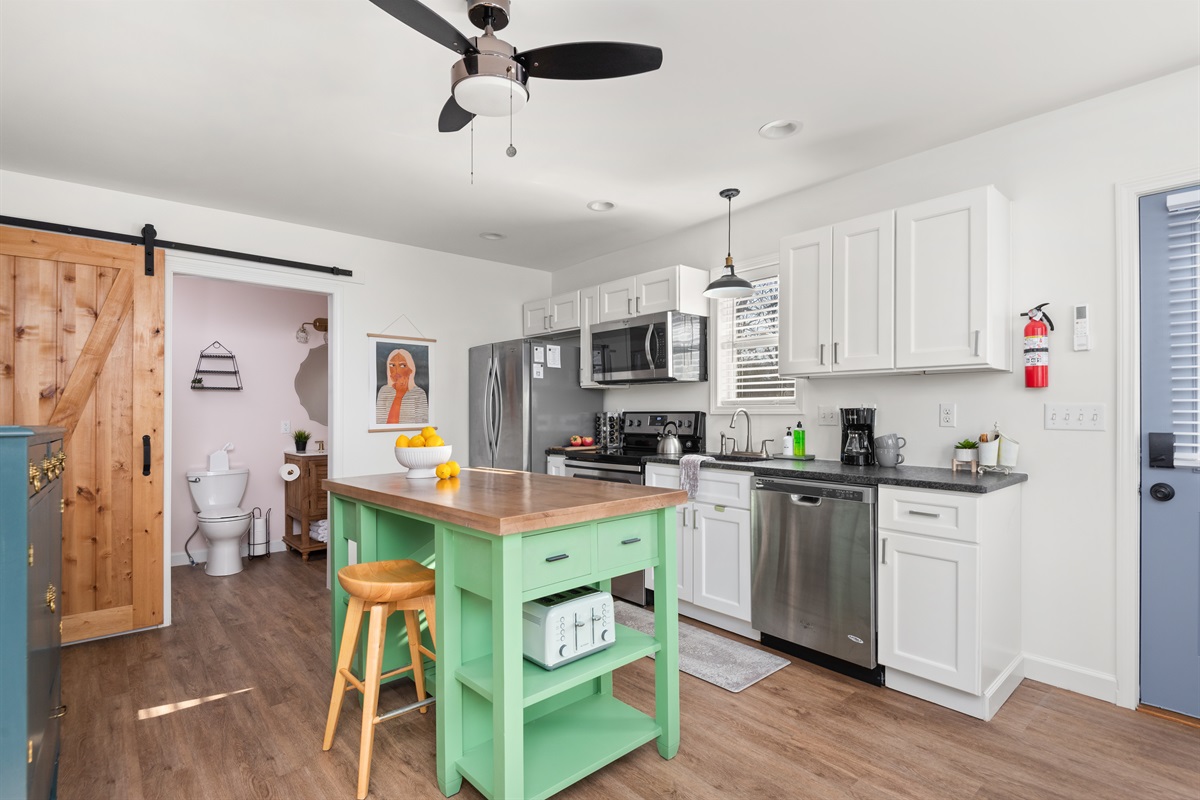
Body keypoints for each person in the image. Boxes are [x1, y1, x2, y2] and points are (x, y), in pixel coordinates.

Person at [375, 348, 428, 425]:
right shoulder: (384, 391)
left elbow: (423, 424)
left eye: (402, 365)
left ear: (410, 369)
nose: (396, 369)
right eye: (392, 365)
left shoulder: (419, 393)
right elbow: (379, 423)